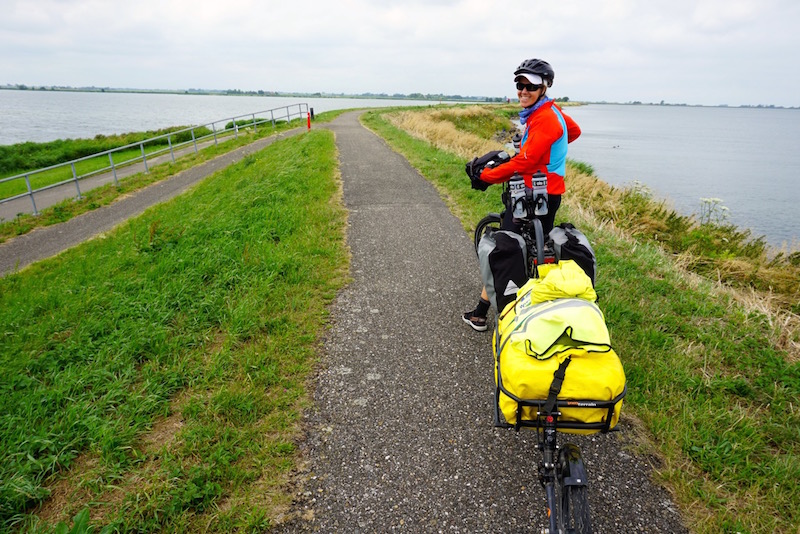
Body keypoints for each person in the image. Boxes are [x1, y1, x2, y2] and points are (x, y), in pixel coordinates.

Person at [462, 58, 582, 332]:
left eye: (531, 85)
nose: (523, 90)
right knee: (537, 251)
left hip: (530, 194)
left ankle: (485, 315)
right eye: (520, 84)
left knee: (506, 250)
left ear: (544, 87)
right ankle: (538, 305)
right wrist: (548, 151)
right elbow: (573, 132)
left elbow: (525, 163)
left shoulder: (545, 118)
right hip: (548, 193)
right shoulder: (552, 111)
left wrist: (487, 177)